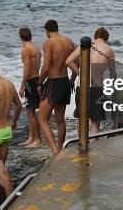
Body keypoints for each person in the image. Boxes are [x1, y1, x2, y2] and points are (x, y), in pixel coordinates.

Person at [66, 27, 117, 133]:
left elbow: (68, 61)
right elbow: (113, 73)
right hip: (97, 88)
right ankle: (93, 145)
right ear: (106, 39)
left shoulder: (85, 45)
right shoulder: (109, 50)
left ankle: (81, 144)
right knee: (95, 121)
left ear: (95, 36)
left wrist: (80, 74)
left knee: (82, 119)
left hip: (82, 85)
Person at [37, 19, 76, 155]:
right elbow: (77, 62)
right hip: (65, 81)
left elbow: (46, 66)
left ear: (47, 31)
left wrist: (40, 82)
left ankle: (54, 150)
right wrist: (72, 79)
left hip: (53, 82)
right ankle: (60, 148)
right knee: (60, 119)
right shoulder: (69, 41)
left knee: (42, 119)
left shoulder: (49, 43)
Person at [18, 27, 42, 148]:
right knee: (30, 111)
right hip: (36, 79)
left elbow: (27, 69)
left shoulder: (26, 49)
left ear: (20, 37)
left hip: (30, 82)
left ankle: (37, 140)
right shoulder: (36, 48)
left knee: (30, 112)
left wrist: (22, 86)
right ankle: (31, 137)